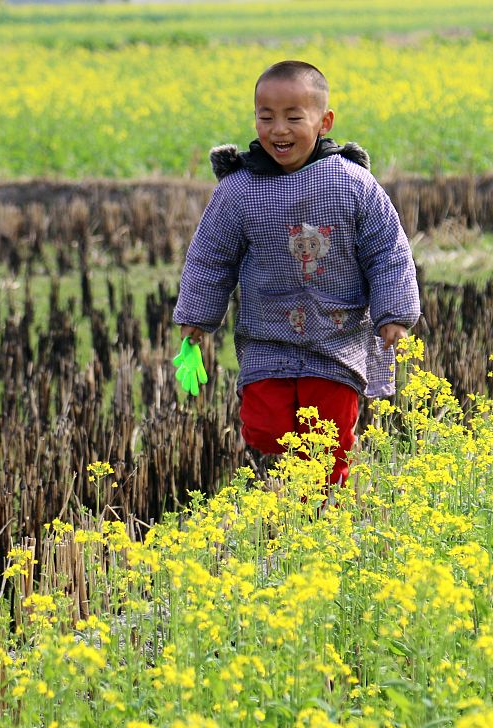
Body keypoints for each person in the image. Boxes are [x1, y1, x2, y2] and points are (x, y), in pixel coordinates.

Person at [174, 60, 420, 486]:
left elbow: (387, 251)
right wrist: (197, 317)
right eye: (266, 117)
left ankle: (322, 511)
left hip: (337, 338)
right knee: (265, 429)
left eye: (293, 118)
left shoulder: (353, 183)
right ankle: (295, 492)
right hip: (267, 337)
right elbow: (210, 257)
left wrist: (394, 314)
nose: (278, 130)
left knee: (328, 443)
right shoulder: (238, 190)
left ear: (324, 122)